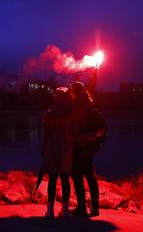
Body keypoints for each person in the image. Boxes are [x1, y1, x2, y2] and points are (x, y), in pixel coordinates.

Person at [70, 81, 105, 217]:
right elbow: (90, 87)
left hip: (79, 148)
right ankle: (95, 208)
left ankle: (81, 208)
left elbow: (77, 135)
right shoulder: (89, 104)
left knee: (78, 178)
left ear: (74, 92)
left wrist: (92, 136)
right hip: (89, 150)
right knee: (90, 177)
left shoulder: (76, 108)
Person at [42, 86, 74, 218]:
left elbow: (45, 134)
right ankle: (65, 210)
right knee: (65, 179)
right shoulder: (72, 114)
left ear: (56, 97)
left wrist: (43, 149)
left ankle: (50, 211)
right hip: (66, 149)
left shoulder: (48, 114)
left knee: (52, 180)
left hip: (51, 148)